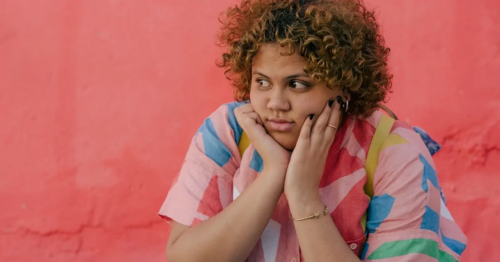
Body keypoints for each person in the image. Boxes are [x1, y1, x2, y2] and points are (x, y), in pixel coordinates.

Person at [159, 0, 467, 261]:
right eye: (262, 82)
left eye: (297, 84)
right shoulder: (228, 131)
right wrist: (273, 174)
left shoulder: (396, 154)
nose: (275, 104)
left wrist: (304, 197)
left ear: (344, 86)